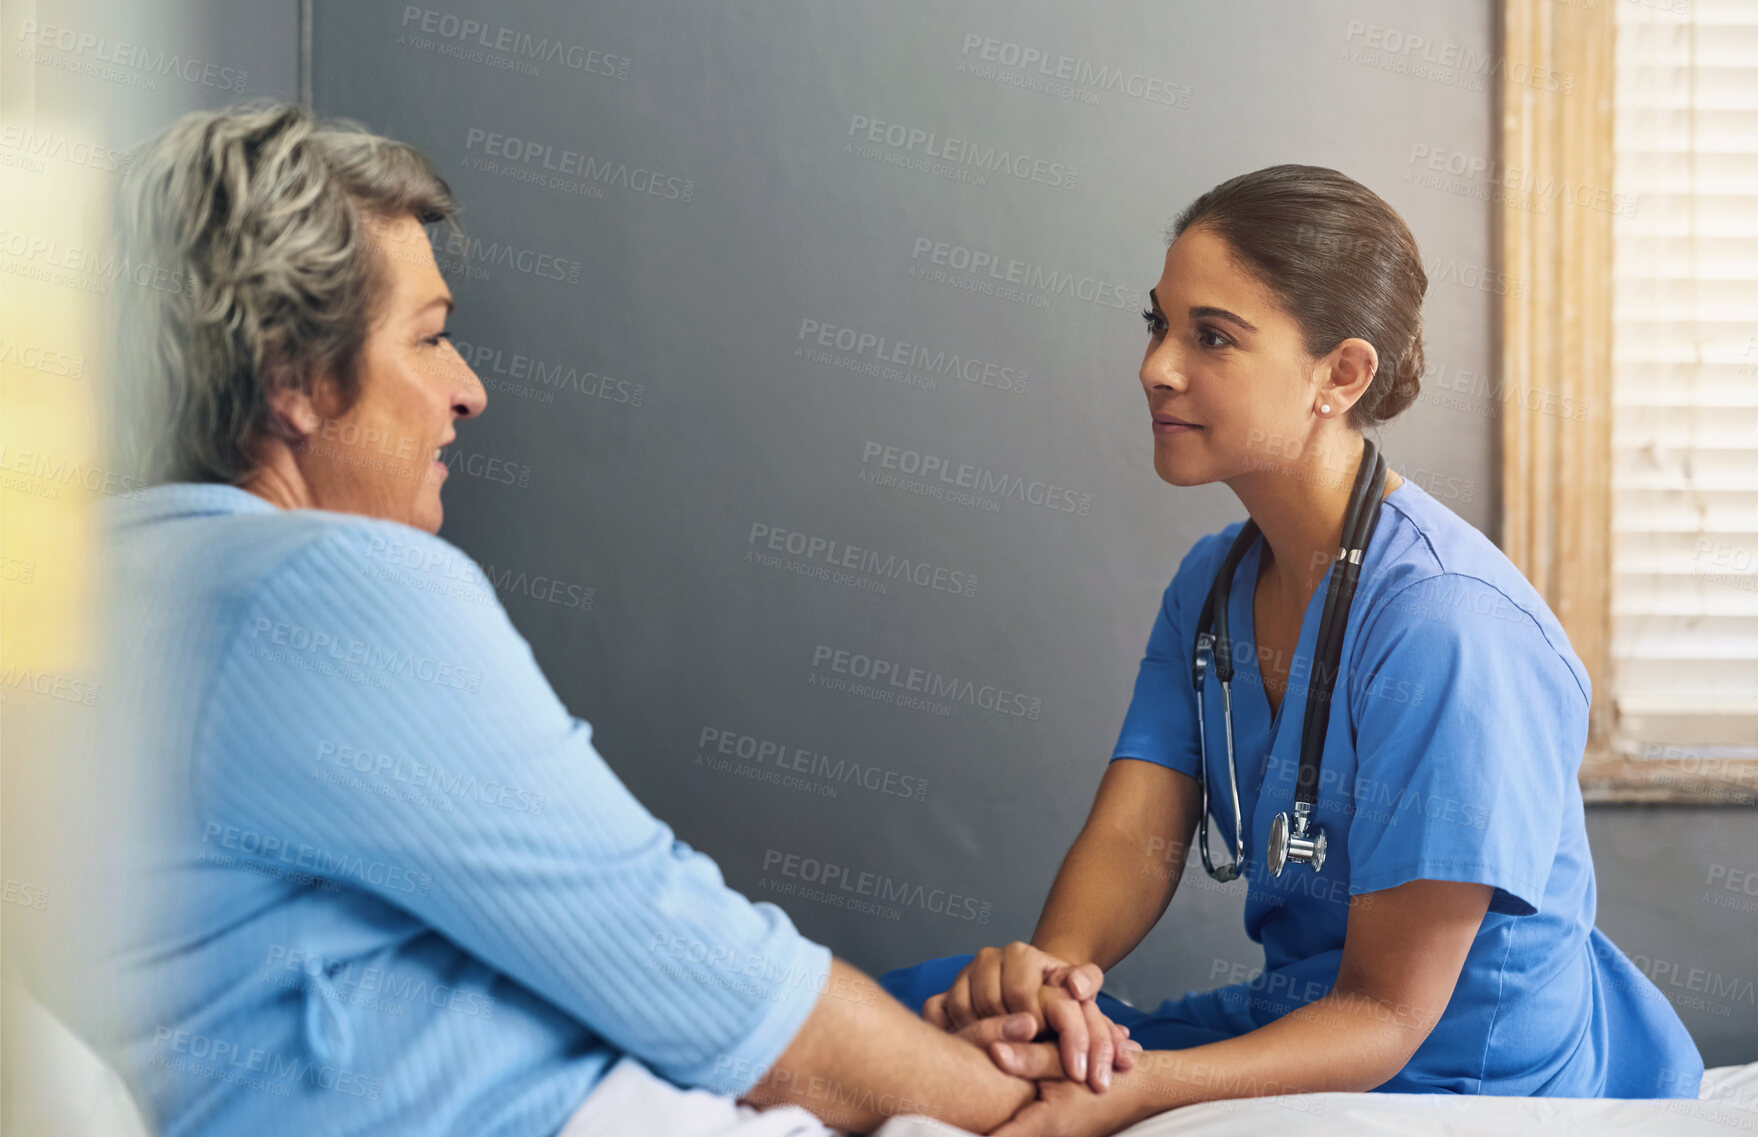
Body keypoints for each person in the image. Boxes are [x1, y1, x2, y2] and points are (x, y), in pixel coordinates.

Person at [53, 102, 1062, 1137]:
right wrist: (1040, 1106)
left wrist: (926, 1056)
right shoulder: (313, 587)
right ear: (293, 379)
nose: (470, 389)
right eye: (431, 339)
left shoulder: (102, 598)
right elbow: (714, 986)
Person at [879, 165, 1705, 1136]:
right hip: (1304, 1022)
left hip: (1453, 1075)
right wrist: (1051, 988)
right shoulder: (1213, 583)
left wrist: (1140, 1090)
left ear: (1341, 375)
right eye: (1159, 325)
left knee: (995, 1081)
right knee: (921, 1010)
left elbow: (1389, 1015)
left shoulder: (1450, 627)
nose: (1158, 367)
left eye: (1213, 336)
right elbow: (1132, 838)